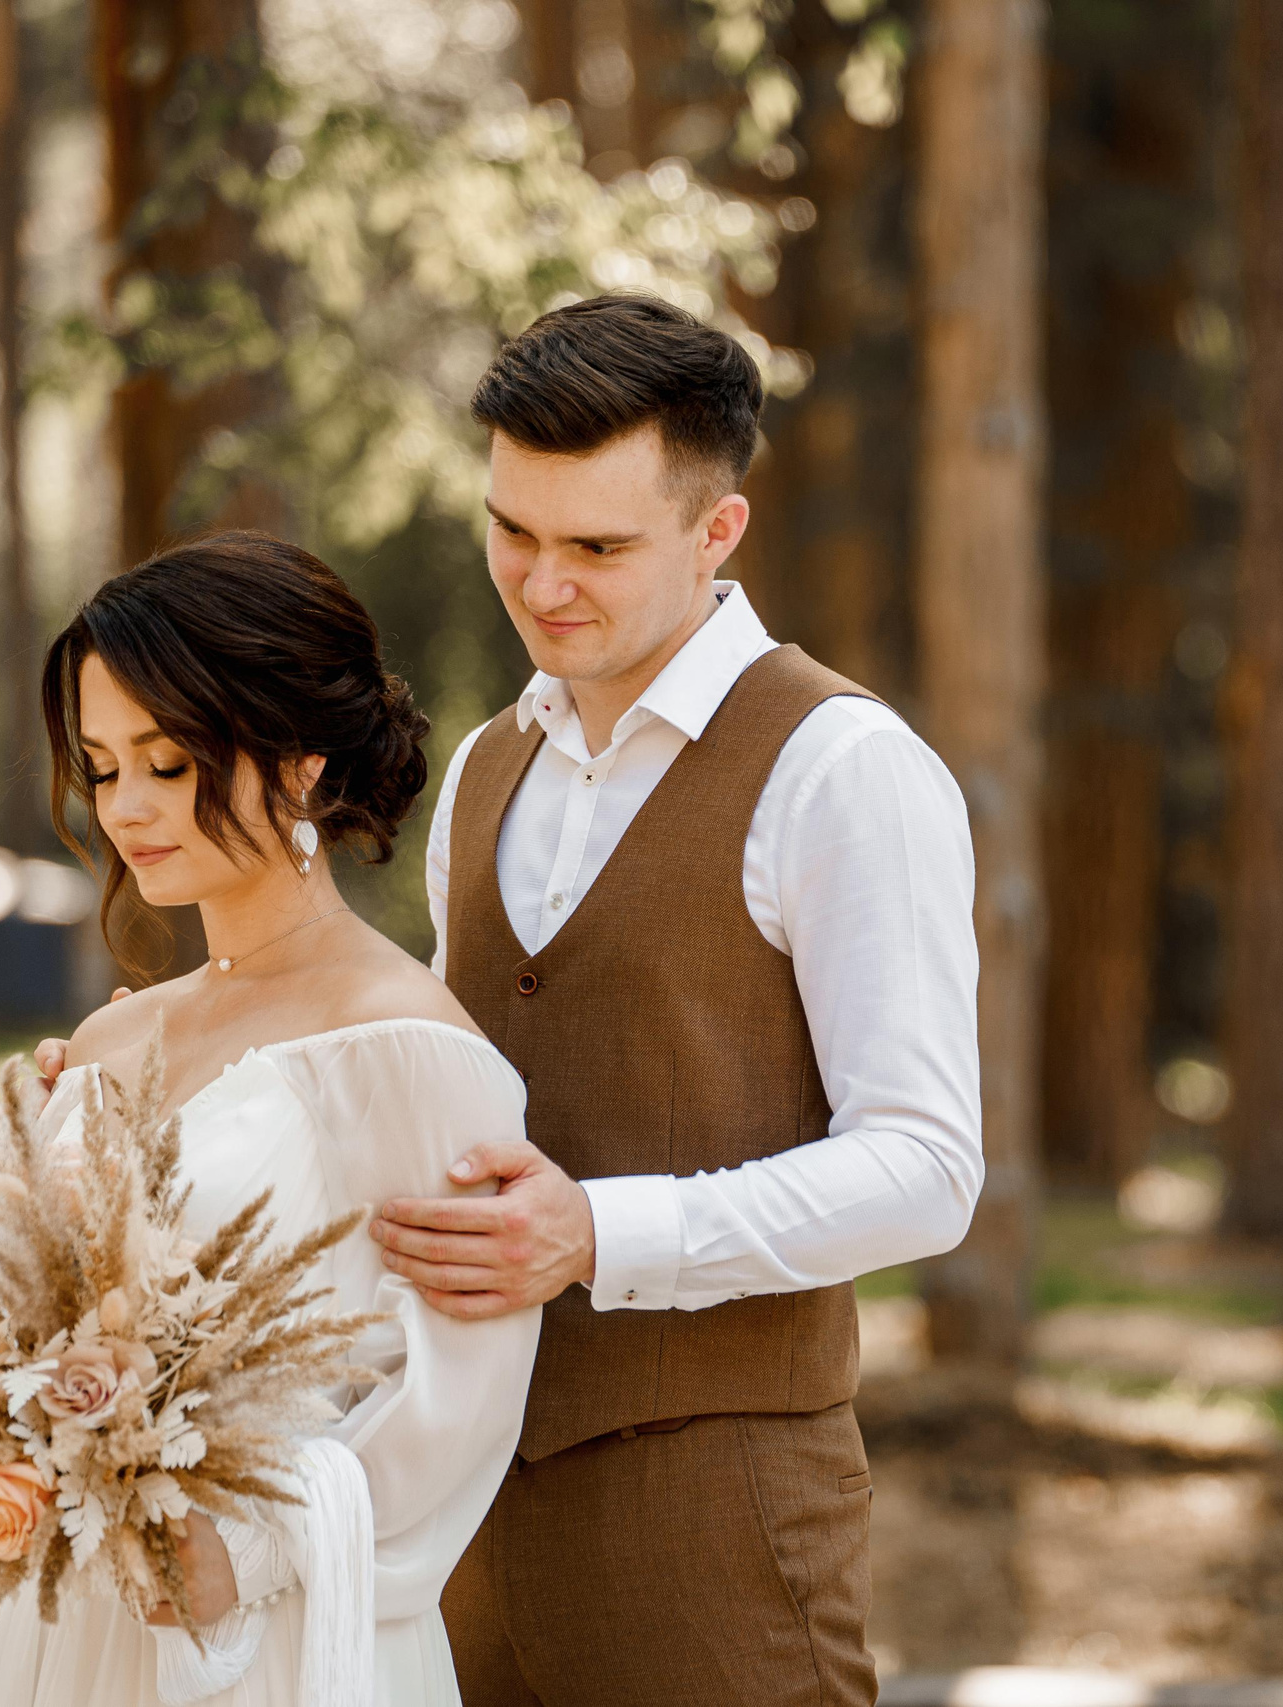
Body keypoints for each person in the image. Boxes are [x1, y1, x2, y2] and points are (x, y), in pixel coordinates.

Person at [367, 295, 985, 1705]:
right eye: (511, 529)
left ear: (720, 534)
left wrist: (599, 1231)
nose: (540, 583)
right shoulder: (482, 773)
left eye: (597, 545)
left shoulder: (841, 769)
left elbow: (928, 1166)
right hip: (462, 1524)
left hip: (719, 1525)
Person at [0, 533, 542, 1705]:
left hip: (271, 1634)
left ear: (303, 764)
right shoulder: (110, 1041)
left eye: (169, 763)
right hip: (81, 1635)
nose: (126, 809)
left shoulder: (405, 1044)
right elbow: (52, 1318)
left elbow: (463, 1395)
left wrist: (250, 1554)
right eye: (105, 767)